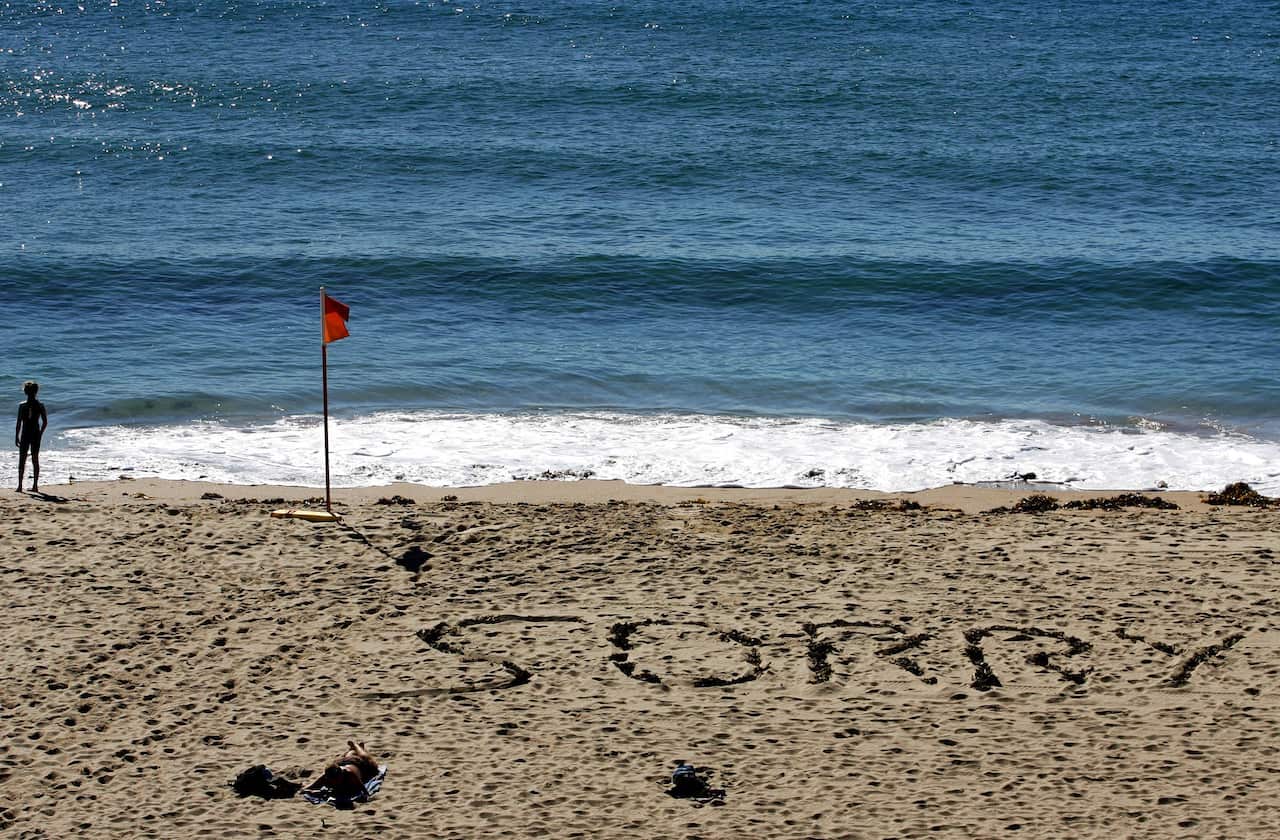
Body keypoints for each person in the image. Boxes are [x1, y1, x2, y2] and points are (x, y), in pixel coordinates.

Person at [302, 740, 380, 800]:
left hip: (357, 764)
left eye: (336, 780)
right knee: (349, 755)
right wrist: (307, 790)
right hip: (342, 762)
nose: (334, 782)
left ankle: (356, 746)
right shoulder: (327, 776)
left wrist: (365, 797)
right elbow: (311, 786)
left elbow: (363, 790)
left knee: (368, 761)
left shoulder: (350, 774)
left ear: (341, 774)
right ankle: (352, 749)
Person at [15, 380, 47, 493]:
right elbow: (45, 422)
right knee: (35, 459)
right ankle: (35, 486)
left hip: (25, 434)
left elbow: (19, 422)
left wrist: (16, 436)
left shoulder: (22, 405)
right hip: (35, 434)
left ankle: (19, 486)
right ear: (36, 392)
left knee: (22, 459)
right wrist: (41, 433)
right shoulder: (40, 405)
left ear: (25, 392)